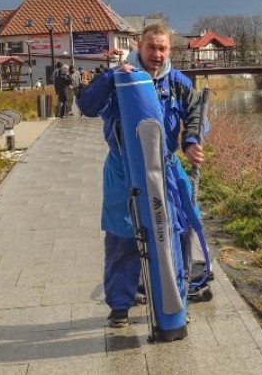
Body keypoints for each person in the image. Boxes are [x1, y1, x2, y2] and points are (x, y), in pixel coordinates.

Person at [77, 23, 204, 328]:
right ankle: (121, 304)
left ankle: (176, 294)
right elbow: (87, 106)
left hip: (166, 167)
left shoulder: (178, 82)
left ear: (169, 50)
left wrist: (191, 141)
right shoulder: (120, 78)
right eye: (151, 47)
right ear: (139, 45)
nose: (157, 54)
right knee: (123, 236)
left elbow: (196, 112)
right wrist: (108, 75)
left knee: (180, 227)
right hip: (123, 168)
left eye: (162, 48)